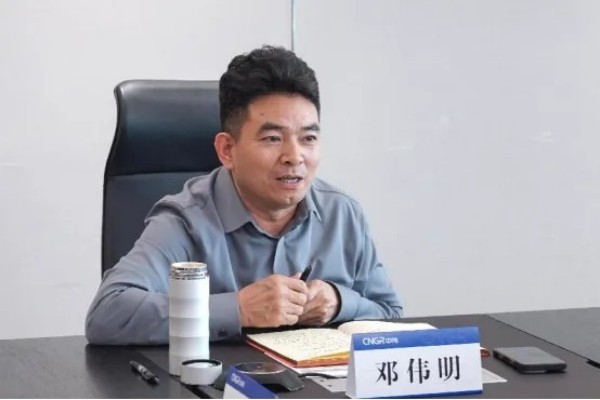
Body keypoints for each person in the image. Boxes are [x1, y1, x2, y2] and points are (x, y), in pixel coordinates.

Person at [85, 45, 402, 345]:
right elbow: (107, 313)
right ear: (227, 150)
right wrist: (238, 309)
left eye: (308, 138)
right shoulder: (186, 221)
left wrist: (339, 302)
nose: (294, 157)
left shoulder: (342, 213)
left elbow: (391, 315)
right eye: (273, 138)